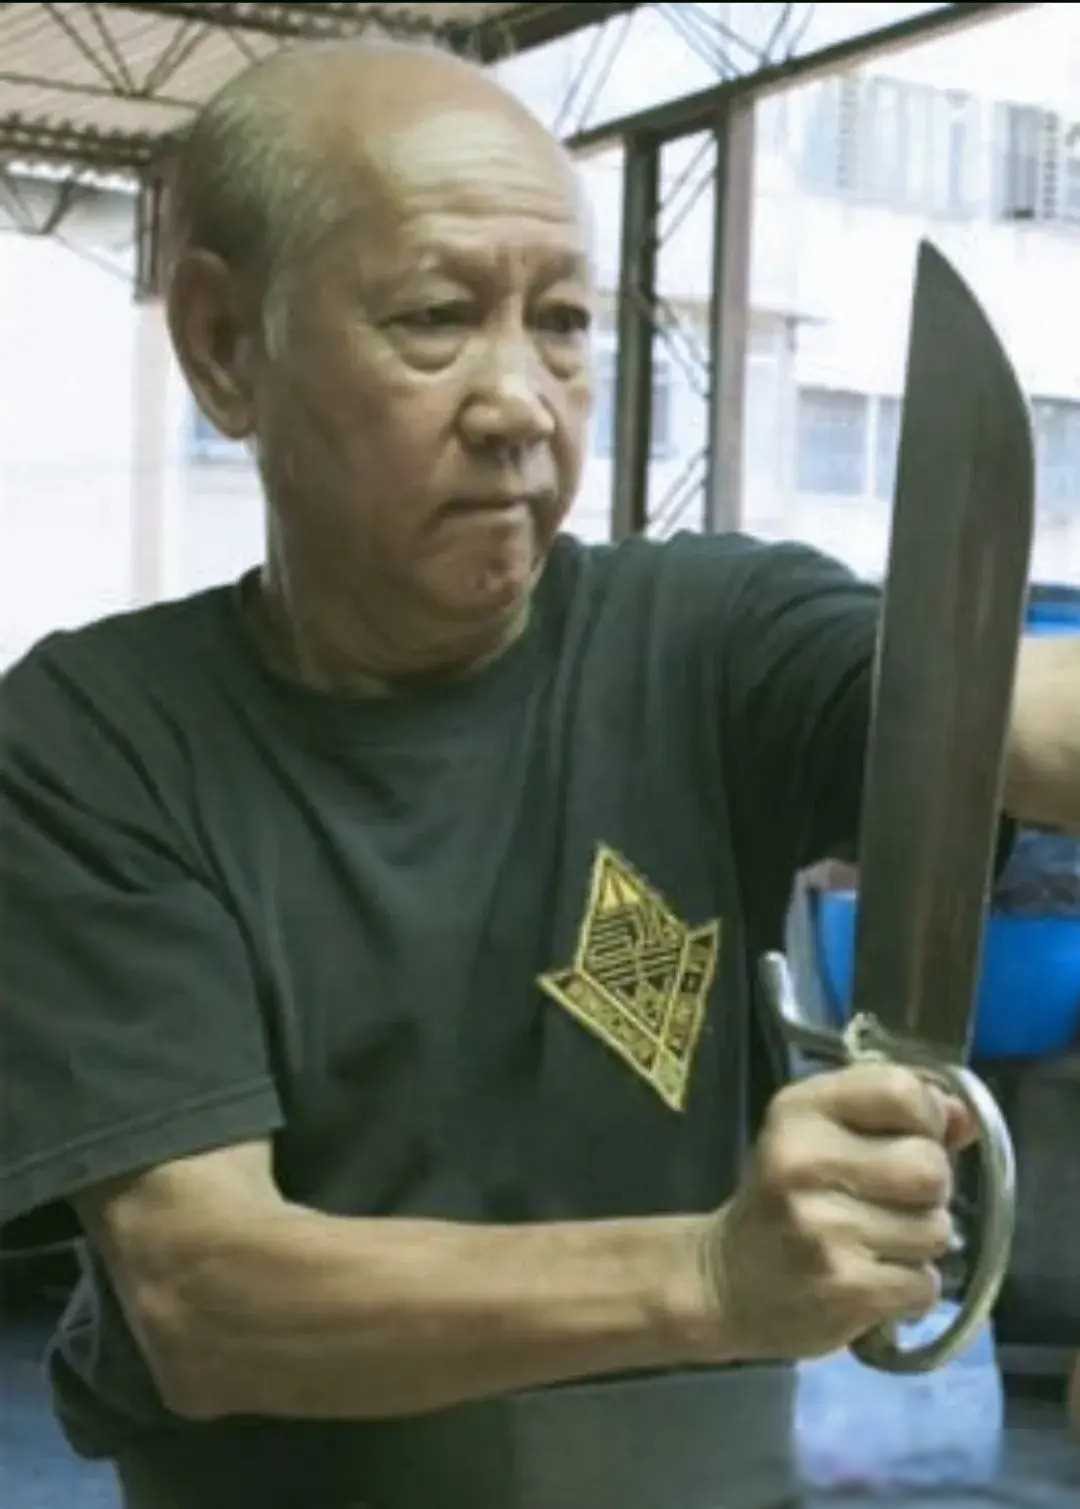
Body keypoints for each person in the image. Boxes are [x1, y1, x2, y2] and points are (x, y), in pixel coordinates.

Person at [2, 35, 1078, 1509]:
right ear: (224, 346)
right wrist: (714, 1275)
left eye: (563, 323)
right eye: (437, 318)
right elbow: (209, 1296)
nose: (521, 401)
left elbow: (1007, 714)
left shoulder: (708, 639)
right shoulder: (97, 741)